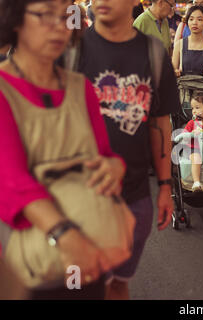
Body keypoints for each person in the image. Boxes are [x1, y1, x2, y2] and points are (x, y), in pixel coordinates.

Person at [0, 0, 128, 298]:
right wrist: (66, 237)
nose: (59, 26)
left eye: (66, 16)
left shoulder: (79, 87)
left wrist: (115, 167)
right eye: (45, 14)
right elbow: (11, 180)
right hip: (32, 258)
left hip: (89, 247)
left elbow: (103, 155)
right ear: (15, 19)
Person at [75, 0, 180, 299]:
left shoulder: (154, 54)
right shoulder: (69, 52)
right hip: (78, 201)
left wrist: (164, 186)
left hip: (134, 200)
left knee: (119, 283)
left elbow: (160, 125)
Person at [172, 6, 203, 81]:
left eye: (199, 19)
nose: (194, 23)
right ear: (187, 22)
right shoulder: (179, 44)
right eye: (191, 19)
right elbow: (172, 70)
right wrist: (175, 72)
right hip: (184, 89)